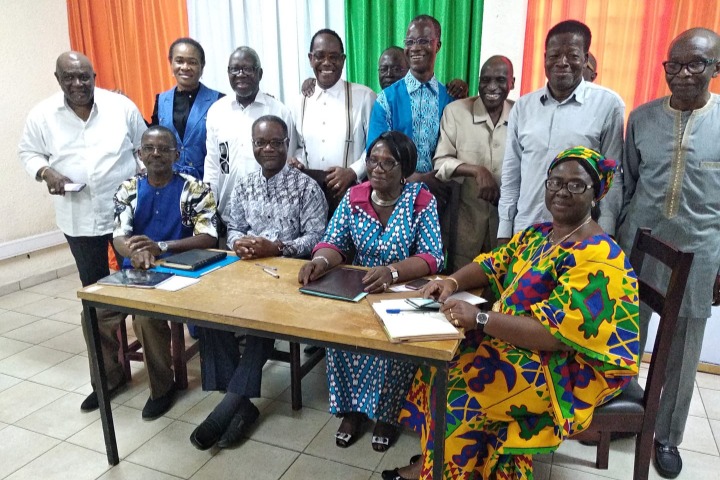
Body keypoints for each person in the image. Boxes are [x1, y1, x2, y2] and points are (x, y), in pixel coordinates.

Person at [384, 146, 639, 480]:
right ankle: (447, 460)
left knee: (460, 390)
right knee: (439, 366)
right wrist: (450, 281)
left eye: (576, 185)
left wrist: (480, 319)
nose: (562, 191)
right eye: (555, 182)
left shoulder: (599, 257)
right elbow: (493, 263)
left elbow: (556, 336)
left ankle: (438, 471)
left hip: (568, 367)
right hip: (520, 342)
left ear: (596, 194)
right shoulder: (541, 235)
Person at [298, 131, 444, 452]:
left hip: (404, 288)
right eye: (372, 161)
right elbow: (334, 241)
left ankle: (388, 416)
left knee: (396, 345)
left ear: (404, 169)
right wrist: (321, 262)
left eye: (387, 163)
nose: (377, 168)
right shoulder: (355, 197)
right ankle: (352, 412)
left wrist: (393, 272)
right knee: (342, 336)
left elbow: (433, 256)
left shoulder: (421, 200)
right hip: (360, 286)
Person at [616, 28, 720, 479]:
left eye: (695, 64)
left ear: (716, 67)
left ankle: (666, 436)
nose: (682, 74)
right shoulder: (641, 118)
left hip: (700, 252)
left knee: (682, 347)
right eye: (673, 65)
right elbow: (628, 183)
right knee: (626, 336)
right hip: (639, 245)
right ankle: (623, 415)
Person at [18, 51, 147, 412]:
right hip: (79, 218)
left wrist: (143, 178)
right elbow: (28, 153)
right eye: (69, 78)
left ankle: (158, 375)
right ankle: (108, 379)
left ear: (94, 76)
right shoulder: (42, 114)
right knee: (94, 297)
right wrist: (46, 172)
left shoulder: (120, 107)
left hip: (126, 215)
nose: (78, 84)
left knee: (143, 288)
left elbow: (144, 145)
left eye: (84, 77)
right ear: (58, 79)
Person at [190, 115, 327, 450]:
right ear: (252, 145)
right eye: (261, 143)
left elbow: (318, 237)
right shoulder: (244, 184)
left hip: (288, 275)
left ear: (287, 144)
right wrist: (239, 242)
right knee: (208, 314)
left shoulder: (306, 187)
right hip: (245, 269)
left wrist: (277, 247)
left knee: (261, 321)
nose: (268, 149)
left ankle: (229, 406)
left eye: (276, 142)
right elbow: (233, 226)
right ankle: (242, 407)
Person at [112, 126, 218, 419]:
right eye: (149, 148)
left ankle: (162, 388)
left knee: (145, 318)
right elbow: (119, 236)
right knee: (94, 313)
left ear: (177, 154)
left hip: (180, 272)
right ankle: (109, 379)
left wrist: (161, 246)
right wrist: (135, 253)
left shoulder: (195, 189)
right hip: (136, 271)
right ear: (140, 154)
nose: (156, 154)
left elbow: (209, 237)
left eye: (164, 149)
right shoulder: (128, 189)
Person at [498, 20, 624, 244]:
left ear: (585, 59)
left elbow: (612, 177)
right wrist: (504, 230)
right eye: (554, 55)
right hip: (526, 231)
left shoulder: (608, 105)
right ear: (545, 58)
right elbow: (511, 174)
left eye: (572, 56)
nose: (562, 62)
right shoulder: (523, 107)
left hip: (579, 236)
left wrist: (606, 231)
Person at [434, 55, 515, 271]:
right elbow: (440, 163)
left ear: (512, 83)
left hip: (506, 230)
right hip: (464, 228)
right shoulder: (456, 112)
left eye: (500, 80)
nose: (492, 87)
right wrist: (476, 171)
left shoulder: (521, 114)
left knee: (501, 287)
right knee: (459, 287)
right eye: (485, 80)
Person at [204, 47, 296, 228]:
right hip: (227, 214)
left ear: (259, 73)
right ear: (228, 73)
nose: (241, 74)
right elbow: (213, 165)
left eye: (247, 69)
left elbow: (288, 164)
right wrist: (210, 209)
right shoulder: (217, 111)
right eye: (235, 69)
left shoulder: (278, 111)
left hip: (271, 215)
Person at [366, 15, 455, 188]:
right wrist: (417, 179)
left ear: (437, 45)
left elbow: (455, 150)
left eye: (423, 41)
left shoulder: (449, 98)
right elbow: (375, 155)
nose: (415, 48)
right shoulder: (386, 99)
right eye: (410, 42)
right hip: (395, 193)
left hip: (439, 192)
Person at [290, 29, 376, 202]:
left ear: (343, 60)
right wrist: (296, 162)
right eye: (320, 56)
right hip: (309, 197)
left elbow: (375, 146)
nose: (327, 63)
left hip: (351, 193)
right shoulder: (298, 102)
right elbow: (296, 147)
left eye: (334, 57)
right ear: (311, 59)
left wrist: (352, 172)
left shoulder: (365, 96)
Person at [150, 38, 223, 180]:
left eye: (192, 62)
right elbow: (152, 135)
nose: (185, 67)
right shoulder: (161, 100)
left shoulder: (219, 100)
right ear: (171, 63)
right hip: (169, 181)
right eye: (179, 61)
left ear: (202, 65)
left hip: (207, 182)